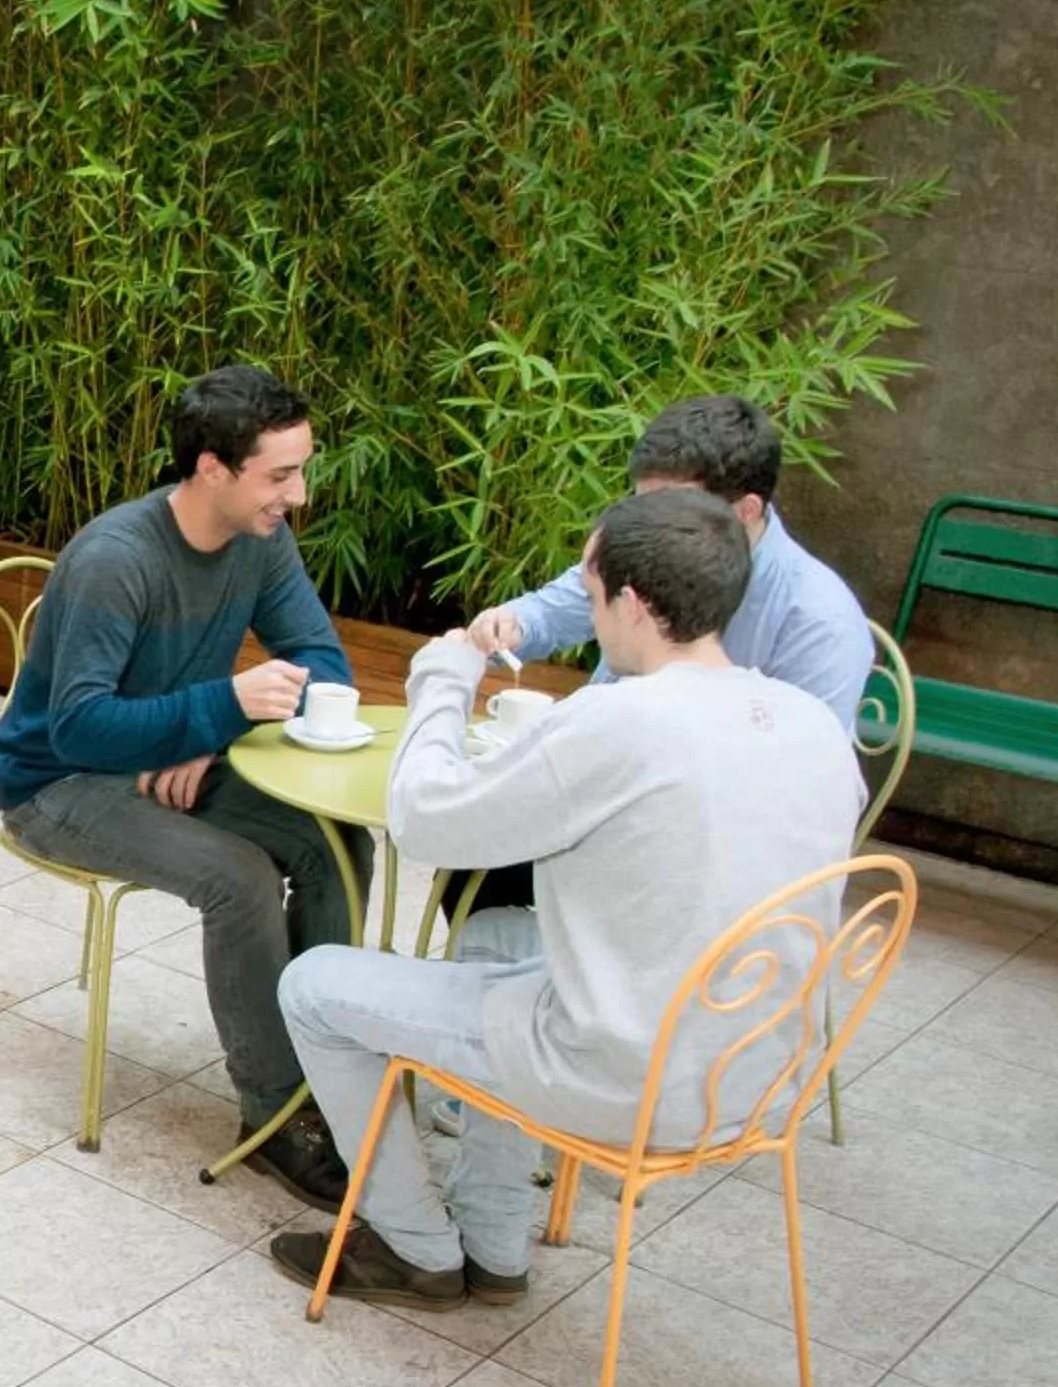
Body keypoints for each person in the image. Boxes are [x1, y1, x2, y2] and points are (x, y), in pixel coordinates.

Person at [270, 489, 860, 1310]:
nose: (589, 613)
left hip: (624, 1076)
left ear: (632, 604)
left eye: (589, 597)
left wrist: (441, 680)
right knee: (500, 933)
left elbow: (426, 820)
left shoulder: (624, 719)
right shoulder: (813, 724)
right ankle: (496, 1242)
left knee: (315, 988)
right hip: (752, 1070)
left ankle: (411, 1244)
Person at [0, 363, 371, 1208]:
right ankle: (273, 1117)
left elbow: (323, 661)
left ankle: (328, 1071)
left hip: (163, 759)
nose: (296, 496)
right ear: (210, 470)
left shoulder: (260, 542)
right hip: (59, 786)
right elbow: (76, 727)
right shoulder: (116, 560)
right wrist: (215, 704)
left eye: (300, 470)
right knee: (240, 879)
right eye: (280, 475)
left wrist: (214, 727)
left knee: (338, 842)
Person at [443, 395, 870, 918]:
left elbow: (803, 796)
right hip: (602, 795)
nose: (650, 524)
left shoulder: (819, 621)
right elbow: (557, 606)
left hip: (686, 856)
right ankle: (513, 980)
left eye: (671, 508)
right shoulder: (651, 549)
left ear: (746, 510)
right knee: (472, 847)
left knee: (480, 836)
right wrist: (513, 623)